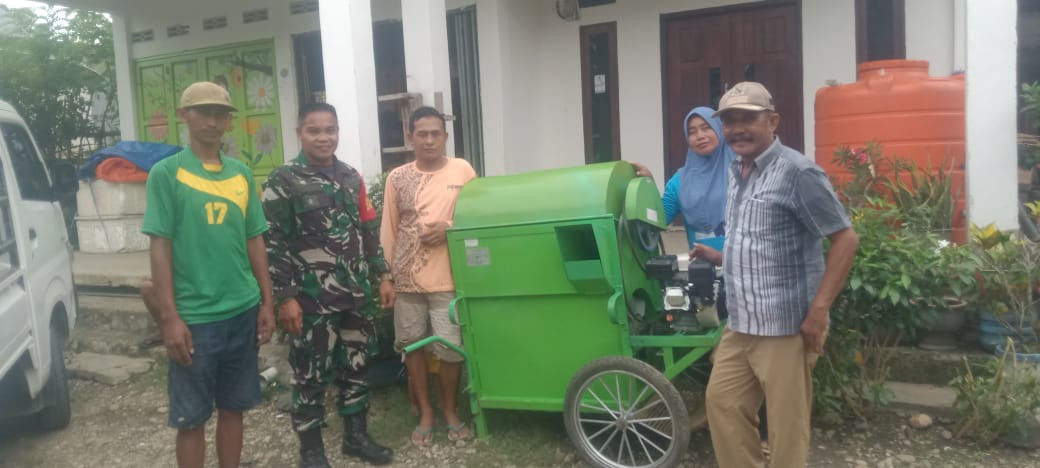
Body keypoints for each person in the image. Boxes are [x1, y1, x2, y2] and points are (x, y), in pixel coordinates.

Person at [693, 82, 859, 468]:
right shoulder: (737, 170)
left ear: (773, 120)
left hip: (786, 327)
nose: (737, 128)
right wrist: (720, 256)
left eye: (748, 118)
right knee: (723, 403)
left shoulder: (797, 172)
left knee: (786, 429)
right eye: (730, 120)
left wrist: (818, 311)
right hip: (741, 322)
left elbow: (845, 238)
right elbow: (755, 240)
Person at [141, 81, 276, 468]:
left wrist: (267, 302)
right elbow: (160, 247)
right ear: (184, 116)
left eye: (221, 114)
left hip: (242, 311)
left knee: (235, 408)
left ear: (229, 121)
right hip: (195, 318)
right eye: (204, 112)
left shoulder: (240, 173)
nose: (213, 121)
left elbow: (255, 241)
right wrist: (170, 318)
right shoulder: (167, 174)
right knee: (192, 419)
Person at [262, 102, 395, 467]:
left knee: (356, 365)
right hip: (311, 301)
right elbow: (273, 244)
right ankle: (312, 451)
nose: (324, 137)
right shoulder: (282, 181)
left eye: (330, 130)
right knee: (310, 374)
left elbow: (368, 229)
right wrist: (285, 297)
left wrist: (382, 274)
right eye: (315, 130)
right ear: (299, 133)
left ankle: (356, 437)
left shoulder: (351, 177)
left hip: (354, 296)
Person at [632, 106, 770, 448]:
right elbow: (658, 218)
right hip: (705, 273)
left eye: (705, 127)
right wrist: (646, 186)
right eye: (692, 130)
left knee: (756, 350)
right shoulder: (681, 179)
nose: (699, 135)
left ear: (719, 131)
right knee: (715, 349)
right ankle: (725, 423)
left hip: (745, 266)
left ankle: (764, 431)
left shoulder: (740, 168)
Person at [380, 106, 477, 446]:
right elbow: (389, 231)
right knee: (413, 349)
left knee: (450, 349)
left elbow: (477, 215)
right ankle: (426, 412)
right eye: (422, 133)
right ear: (411, 137)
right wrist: (387, 277)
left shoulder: (462, 170)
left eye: (436, 133)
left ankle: (450, 409)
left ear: (446, 137)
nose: (430, 139)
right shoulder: (398, 177)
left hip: (450, 280)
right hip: (407, 281)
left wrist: (449, 228)